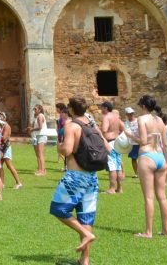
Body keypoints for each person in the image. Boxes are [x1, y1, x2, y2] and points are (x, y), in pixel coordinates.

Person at [50, 96, 106, 265]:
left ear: (71, 110)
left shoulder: (72, 126)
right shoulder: (92, 125)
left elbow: (67, 150)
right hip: (92, 177)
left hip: (75, 177)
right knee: (86, 216)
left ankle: (86, 234)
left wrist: (58, 146)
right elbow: (107, 147)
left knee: (57, 209)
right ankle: (85, 261)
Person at [123, 95, 167, 239]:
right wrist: (166, 162)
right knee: (162, 197)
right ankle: (165, 231)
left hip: (147, 157)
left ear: (143, 106)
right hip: (160, 158)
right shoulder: (160, 120)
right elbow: (165, 144)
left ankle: (148, 232)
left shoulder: (142, 119)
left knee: (149, 197)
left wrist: (130, 135)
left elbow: (143, 141)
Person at [99, 101, 124, 194]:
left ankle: (112, 189)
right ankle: (120, 188)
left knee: (112, 166)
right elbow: (124, 127)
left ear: (105, 108)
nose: (101, 109)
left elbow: (105, 129)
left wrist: (100, 131)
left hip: (109, 142)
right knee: (118, 166)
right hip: (117, 142)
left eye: (101, 107)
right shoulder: (116, 117)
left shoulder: (107, 117)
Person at [0, 112, 23, 189]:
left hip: (6, 147)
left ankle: (18, 183)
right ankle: (2, 183)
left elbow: (4, 138)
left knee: (9, 165)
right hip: (1, 147)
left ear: (5, 118)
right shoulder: (0, 126)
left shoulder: (6, 126)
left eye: (1, 116)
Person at [31, 104, 48, 176]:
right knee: (39, 154)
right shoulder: (37, 116)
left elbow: (40, 127)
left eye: (35, 109)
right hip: (38, 135)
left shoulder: (40, 116)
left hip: (41, 135)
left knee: (40, 154)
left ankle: (42, 171)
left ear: (39, 110)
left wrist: (32, 129)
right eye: (34, 109)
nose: (34, 110)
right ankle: (41, 169)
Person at [124, 107, 139, 178]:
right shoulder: (126, 123)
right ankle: (137, 173)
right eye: (129, 114)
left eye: (132, 113)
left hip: (139, 142)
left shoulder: (138, 121)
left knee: (143, 158)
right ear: (126, 114)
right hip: (132, 143)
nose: (131, 115)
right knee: (134, 158)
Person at [56, 103, 69, 170]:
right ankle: (66, 166)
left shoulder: (63, 117)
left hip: (62, 135)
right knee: (60, 150)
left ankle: (66, 166)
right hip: (60, 135)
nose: (56, 109)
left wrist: (61, 134)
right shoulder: (61, 116)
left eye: (57, 108)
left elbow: (63, 126)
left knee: (62, 150)